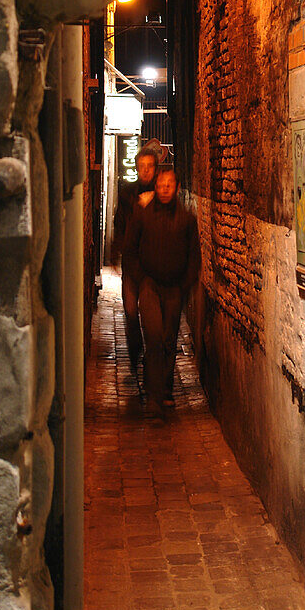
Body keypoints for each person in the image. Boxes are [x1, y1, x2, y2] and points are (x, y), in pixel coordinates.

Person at [123, 166, 200, 420]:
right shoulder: (143, 216)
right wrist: (140, 277)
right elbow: (130, 249)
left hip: (174, 287)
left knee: (168, 339)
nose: (165, 188)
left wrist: (184, 285)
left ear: (176, 188)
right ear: (155, 187)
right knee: (154, 336)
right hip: (150, 285)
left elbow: (193, 257)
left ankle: (164, 388)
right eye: (161, 184)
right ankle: (154, 394)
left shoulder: (187, 220)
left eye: (170, 184)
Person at [112, 143, 160, 385]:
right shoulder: (127, 194)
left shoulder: (163, 194)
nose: (145, 171)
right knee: (131, 312)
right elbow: (120, 223)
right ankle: (135, 352)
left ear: (155, 169)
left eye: (149, 167)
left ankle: (150, 363)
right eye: (141, 167)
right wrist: (117, 250)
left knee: (151, 317)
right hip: (132, 265)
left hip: (153, 266)